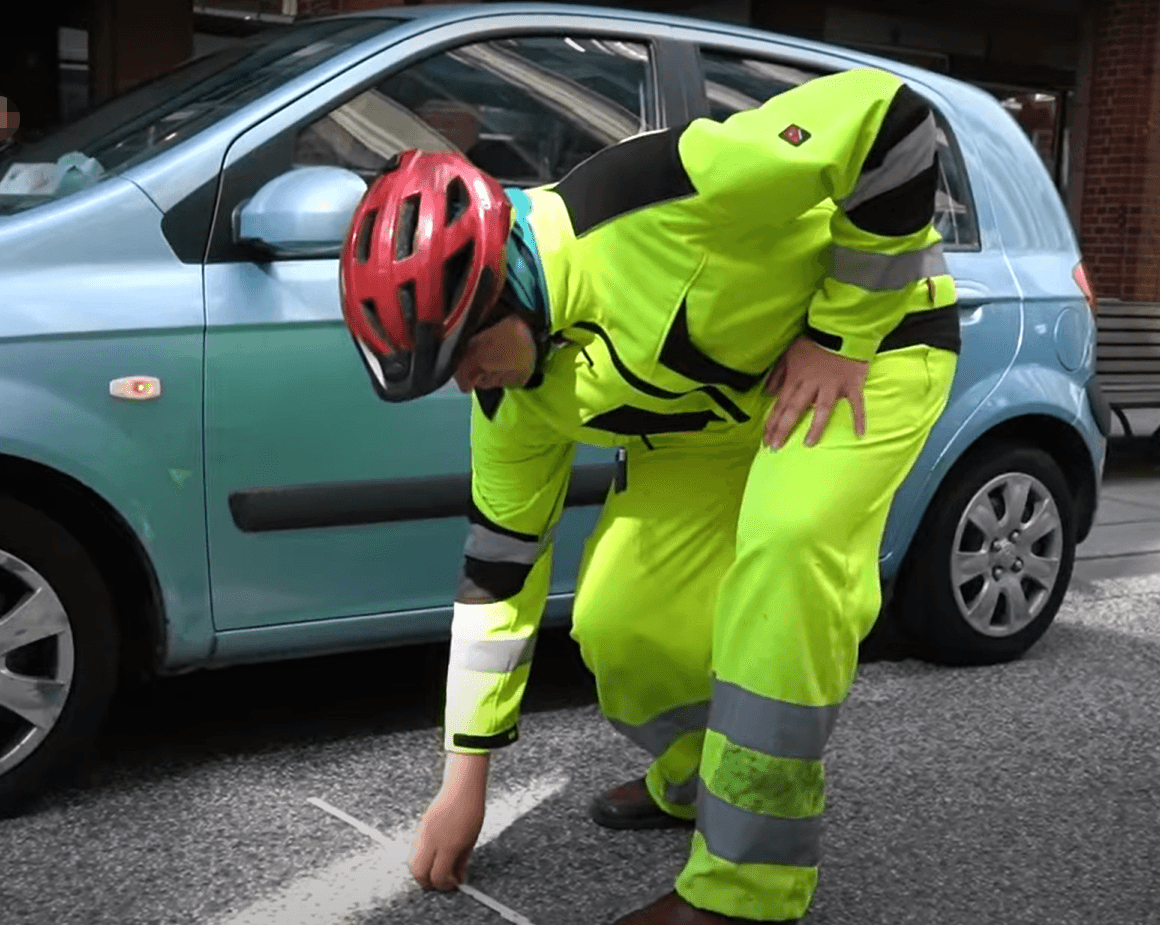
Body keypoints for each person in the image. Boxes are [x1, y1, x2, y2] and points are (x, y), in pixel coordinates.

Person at [336, 67, 961, 924]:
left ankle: (745, 894)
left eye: (462, 358)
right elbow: (498, 571)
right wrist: (463, 783)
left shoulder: (658, 192)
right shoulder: (512, 394)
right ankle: (699, 780)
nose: (465, 384)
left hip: (866, 353)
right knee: (621, 618)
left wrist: (842, 332)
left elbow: (890, 120)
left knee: (783, 552)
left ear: (506, 287)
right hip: (712, 417)